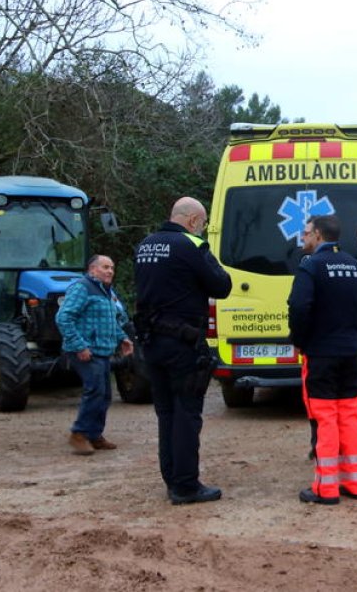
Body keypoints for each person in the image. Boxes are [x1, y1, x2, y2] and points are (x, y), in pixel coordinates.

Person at [134, 197, 232, 505]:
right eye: (201, 224)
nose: (202, 229)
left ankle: (171, 478)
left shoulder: (145, 245)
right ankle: (186, 486)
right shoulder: (191, 245)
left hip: (151, 342)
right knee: (187, 412)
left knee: (165, 413)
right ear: (192, 221)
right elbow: (222, 286)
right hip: (183, 344)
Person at [288, 214, 357, 505]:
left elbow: (299, 307)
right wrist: (354, 333)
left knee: (324, 419)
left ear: (320, 235)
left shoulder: (310, 266)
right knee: (349, 416)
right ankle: (356, 482)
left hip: (321, 354)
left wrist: (300, 340)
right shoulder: (356, 266)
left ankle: (326, 489)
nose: (303, 238)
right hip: (351, 352)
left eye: (307, 232)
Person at [56, 254, 133, 455]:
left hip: (102, 351)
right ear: (92, 270)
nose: (110, 271)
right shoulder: (82, 288)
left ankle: (94, 435)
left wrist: (122, 338)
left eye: (112, 268)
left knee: (105, 394)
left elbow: (109, 321)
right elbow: (63, 318)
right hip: (86, 351)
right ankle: (79, 434)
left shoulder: (106, 292)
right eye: (105, 267)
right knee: (95, 391)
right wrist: (80, 346)